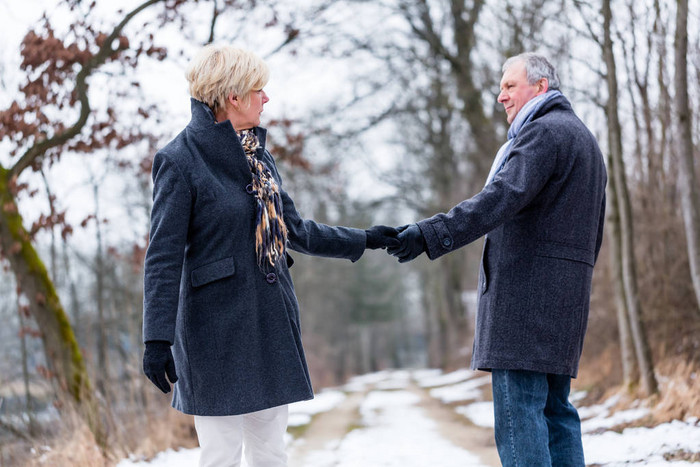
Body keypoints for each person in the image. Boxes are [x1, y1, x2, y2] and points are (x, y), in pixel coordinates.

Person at [142, 44, 398, 467]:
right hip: (213, 335)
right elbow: (162, 258)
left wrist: (366, 238)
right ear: (233, 97)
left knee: (271, 453)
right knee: (221, 454)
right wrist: (156, 339)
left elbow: (296, 231)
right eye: (259, 89)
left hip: (269, 324)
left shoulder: (261, 160)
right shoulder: (178, 160)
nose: (267, 99)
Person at [388, 53, 606, 466]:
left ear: (540, 87)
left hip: (524, 307)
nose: (500, 95)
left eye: (509, 86)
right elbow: (593, 233)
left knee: (519, 415)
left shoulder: (543, 134)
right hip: (563, 306)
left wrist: (429, 233)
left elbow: (498, 198)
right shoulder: (584, 140)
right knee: (557, 414)